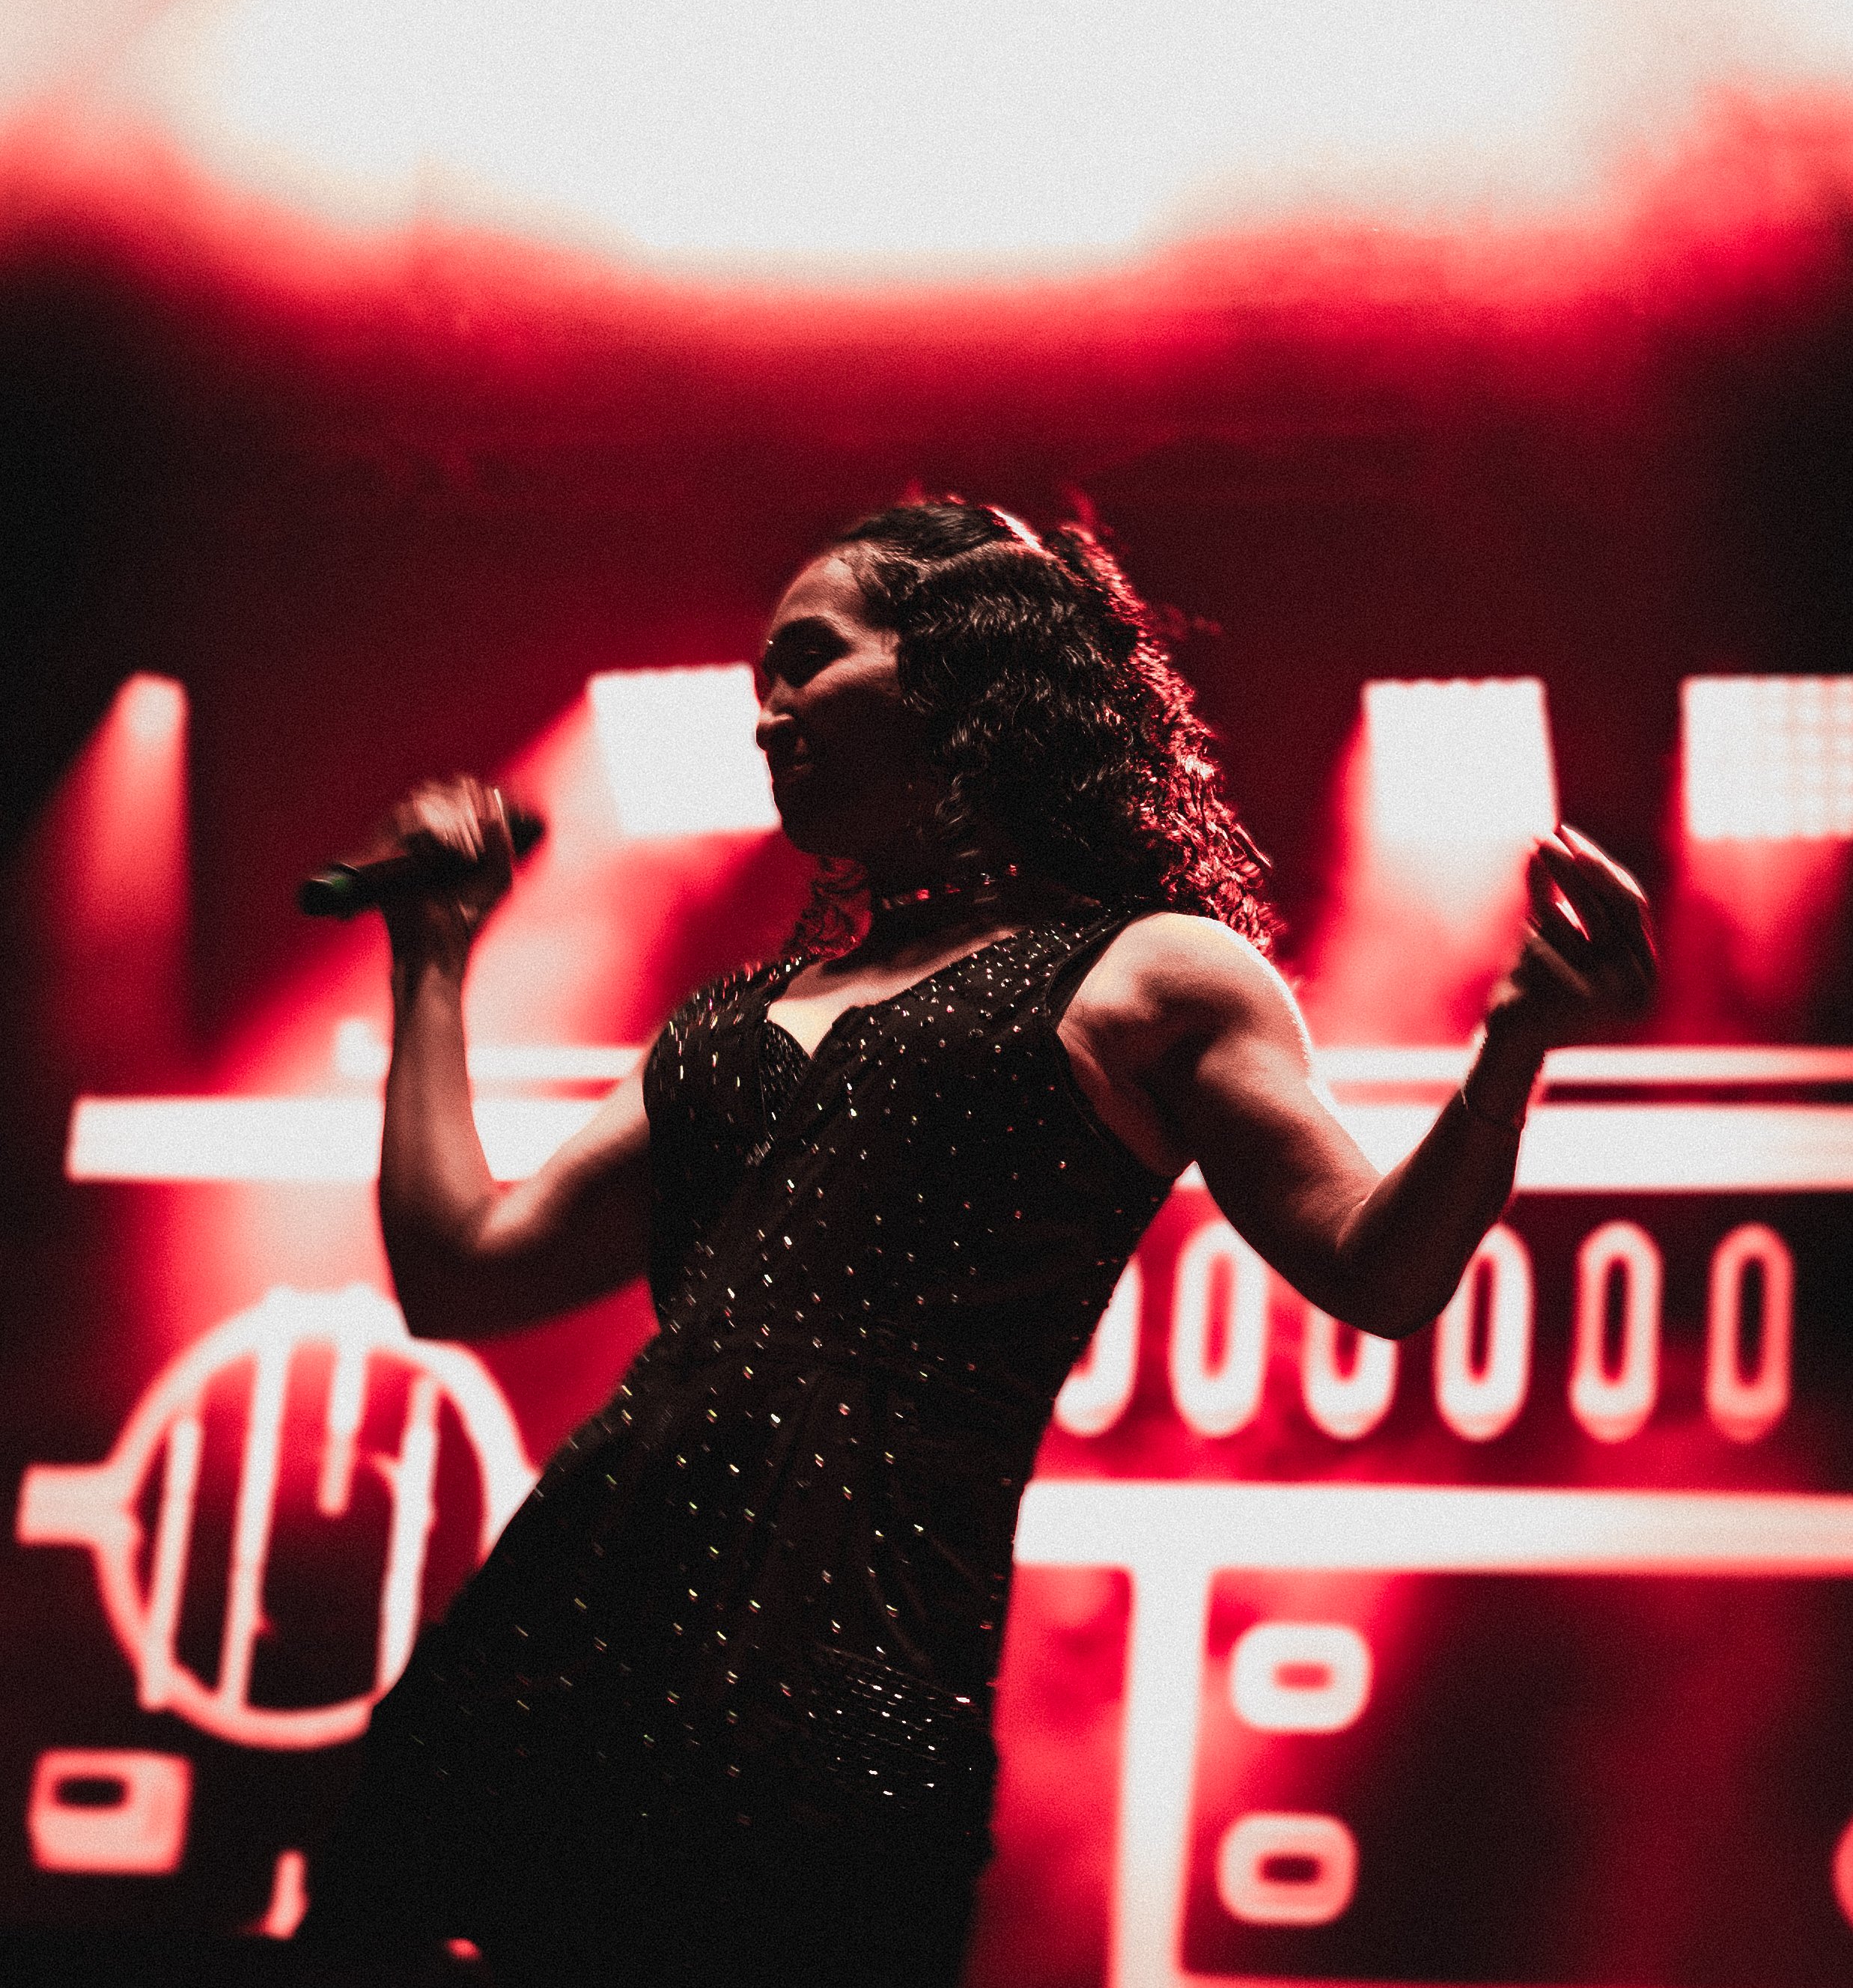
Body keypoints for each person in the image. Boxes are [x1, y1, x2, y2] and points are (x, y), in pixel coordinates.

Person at [297, 499, 1656, 1988]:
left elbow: (1378, 1267)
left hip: (854, 1664)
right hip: (573, 1607)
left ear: (955, 670)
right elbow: (458, 1267)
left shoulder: (1148, 971)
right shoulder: (732, 1021)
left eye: (808, 662)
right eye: (761, 677)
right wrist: (433, 955)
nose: (766, 713)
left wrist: (1515, 1045)